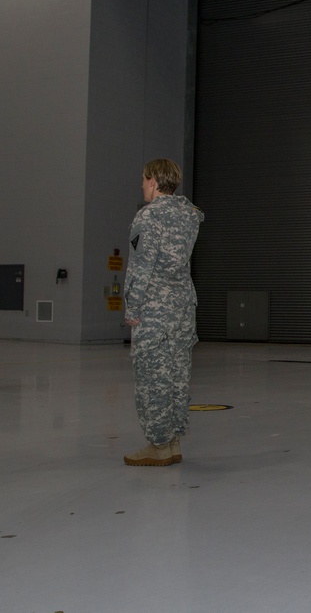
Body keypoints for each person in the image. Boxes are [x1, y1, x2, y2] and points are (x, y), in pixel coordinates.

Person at [122, 158, 204, 466]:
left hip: (155, 307)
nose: (142, 185)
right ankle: (173, 441)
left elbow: (141, 266)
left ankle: (158, 445)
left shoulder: (149, 216)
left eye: (144, 180)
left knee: (151, 374)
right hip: (182, 306)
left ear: (155, 181)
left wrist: (132, 306)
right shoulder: (190, 214)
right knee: (177, 374)